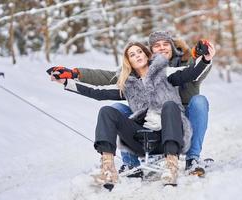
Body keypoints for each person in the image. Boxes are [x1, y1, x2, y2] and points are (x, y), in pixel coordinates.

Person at [49, 41, 214, 187]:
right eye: (132, 54)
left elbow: (190, 72)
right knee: (107, 111)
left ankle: (171, 166)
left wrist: (205, 58)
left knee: (170, 105)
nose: (137, 56)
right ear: (129, 61)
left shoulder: (165, 72)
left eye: (140, 52)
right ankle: (108, 167)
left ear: (147, 55)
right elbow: (97, 92)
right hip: (144, 141)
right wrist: (67, 82)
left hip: (172, 136)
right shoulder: (128, 85)